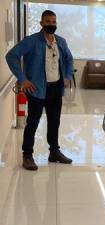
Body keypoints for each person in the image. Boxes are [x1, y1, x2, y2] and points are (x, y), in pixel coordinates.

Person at [6, 10, 74, 171]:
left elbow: (69, 59)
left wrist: (67, 76)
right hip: (37, 90)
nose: (51, 25)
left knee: (54, 122)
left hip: (56, 89)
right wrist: (23, 79)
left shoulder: (61, 42)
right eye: (48, 22)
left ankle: (54, 152)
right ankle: (27, 155)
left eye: (54, 22)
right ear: (41, 23)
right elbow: (11, 56)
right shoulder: (31, 41)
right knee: (32, 123)